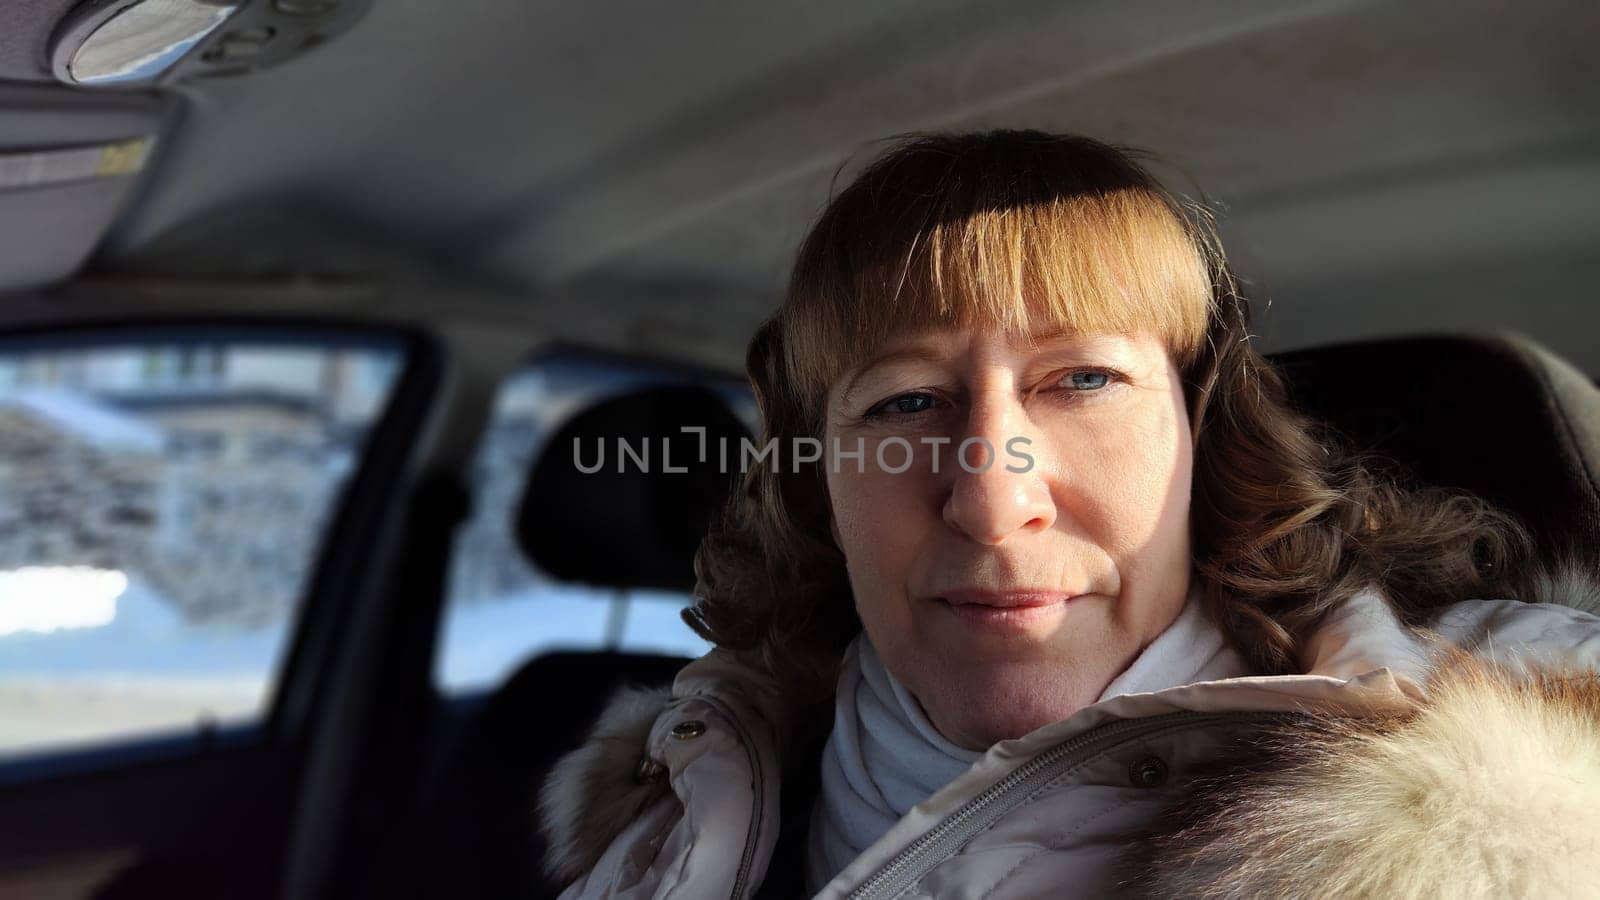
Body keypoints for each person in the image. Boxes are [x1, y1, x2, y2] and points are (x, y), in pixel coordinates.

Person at [537, 130, 1600, 898]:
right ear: (820, 482)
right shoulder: (668, 788)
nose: (993, 505)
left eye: (1083, 381)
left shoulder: (1548, 753)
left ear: (1201, 436)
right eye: (905, 402)